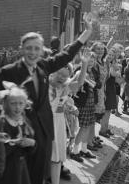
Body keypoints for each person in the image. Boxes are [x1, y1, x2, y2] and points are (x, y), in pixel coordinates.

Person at [0, 13, 93, 184]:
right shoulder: (9, 72)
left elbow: (67, 54)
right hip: (21, 133)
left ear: (41, 51)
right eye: (28, 48)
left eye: (36, 48)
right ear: (22, 49)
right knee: (19, 175)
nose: (32, 52)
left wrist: (87, 31)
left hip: (45, 132)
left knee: (39, 175)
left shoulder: (43, 66)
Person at [49, 50, 89, 184]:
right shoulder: (46, 85)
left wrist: (84, 64)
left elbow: (80, 82)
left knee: (57, 157)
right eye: (59, 74)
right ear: (53, 72)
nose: (61, 77)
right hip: (46, 122)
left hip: (59, 123)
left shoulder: (65, 88)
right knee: (45, 155)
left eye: (65, 76)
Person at [0, 85, 36, 184]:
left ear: (25, 104)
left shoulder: (24, 121)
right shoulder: (3, 122)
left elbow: (30, 151)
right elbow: (0, 151)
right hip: (6, 169)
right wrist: (16, 143)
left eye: (21, 103)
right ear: (6, 104)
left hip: (21, 167)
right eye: (13, 103)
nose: (17, 107)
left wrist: (31, 143)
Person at [71, 52, 97, 162]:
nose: (91, 63)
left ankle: (84, 149)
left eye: (92, 61)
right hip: (84, 104)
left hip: (90, 103)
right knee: (83, 127)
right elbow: (93, 85)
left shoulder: (91, 72)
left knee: (88, 126)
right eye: (89, 61)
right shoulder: (80, 72)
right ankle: (75, 151)